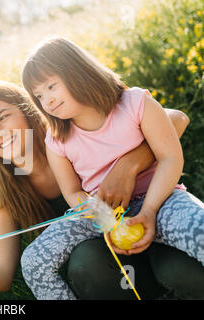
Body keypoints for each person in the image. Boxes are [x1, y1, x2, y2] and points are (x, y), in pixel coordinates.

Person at [0, 79, 193, 299]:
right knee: (86, 260)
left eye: (4, 117)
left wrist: (128, 165)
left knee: (182, 272)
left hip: (151, 230)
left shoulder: (72, 140)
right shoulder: (6, 194)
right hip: (108, 273)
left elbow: (176, 119)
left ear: (30, 113)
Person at [20, 36, 204, 299]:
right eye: (38, 95)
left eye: (51, 86)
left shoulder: (135, 103)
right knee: (34, 262)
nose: (46, 100)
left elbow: (170, 158)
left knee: (201, 230)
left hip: (161, 200)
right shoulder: (57, 139)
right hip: (101, 215)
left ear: (78, 72)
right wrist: (103, 216)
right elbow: (72, 192)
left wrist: (150, 210)